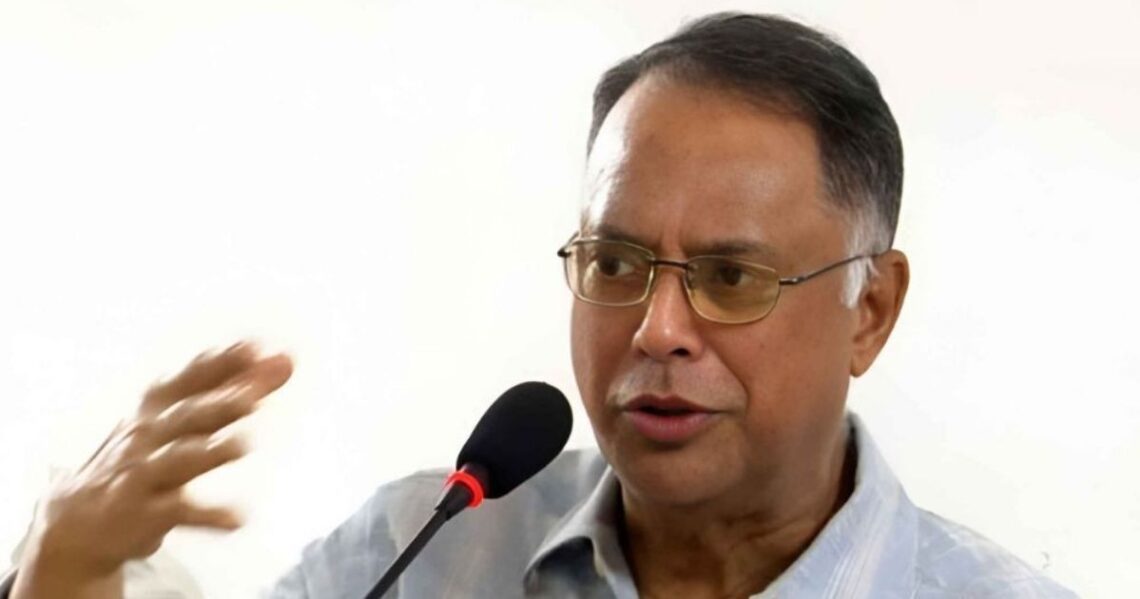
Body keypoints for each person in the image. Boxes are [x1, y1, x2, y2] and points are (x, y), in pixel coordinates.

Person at [3, 12, 1076, 599]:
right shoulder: (417, 552)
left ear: (869, 309)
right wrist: (65, 576)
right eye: (615, 262)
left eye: (729, 279)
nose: (657, 329)